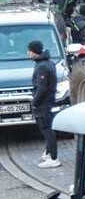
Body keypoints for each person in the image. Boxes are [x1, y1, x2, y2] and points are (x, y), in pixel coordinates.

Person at [28, 39, 59, 168]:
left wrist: (34, 102)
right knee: (47, 128)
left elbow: (42, 88)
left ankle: (53, 157)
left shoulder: (42, 66)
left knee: (46, 129)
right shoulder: (48, 63)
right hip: (47, 102)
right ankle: (48, 152)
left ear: (35, 51)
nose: (28, 53)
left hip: (43, 104)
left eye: (29, 51)